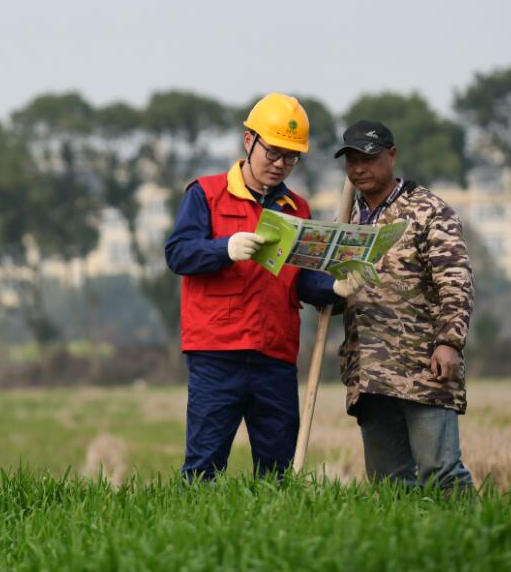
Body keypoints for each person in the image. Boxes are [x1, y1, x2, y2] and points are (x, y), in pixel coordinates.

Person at [164, 93, 342, 480]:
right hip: (216, 354)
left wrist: (336, 288)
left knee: (277, 472)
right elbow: (178, 254)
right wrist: (223, 249)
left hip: (275, 355)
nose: (280, 165)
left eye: (290, 158)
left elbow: (302, 279)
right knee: (203, 468)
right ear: (249, 141)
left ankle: (275, 521)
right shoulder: (205, 194)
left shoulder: (298, 209)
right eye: (273, 152)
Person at [333, 119, 474, 492]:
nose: (359, 168)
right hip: (369, 372)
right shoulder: (346, 219)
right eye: (351, 160)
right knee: (388, 484)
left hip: (423, 369)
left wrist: (450, 342)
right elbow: (331, 293)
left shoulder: (429, 210)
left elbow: (456, 282)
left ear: (391, 156)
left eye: (368, 158)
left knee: (441, 472)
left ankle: (470, 528)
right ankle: (403, 532)